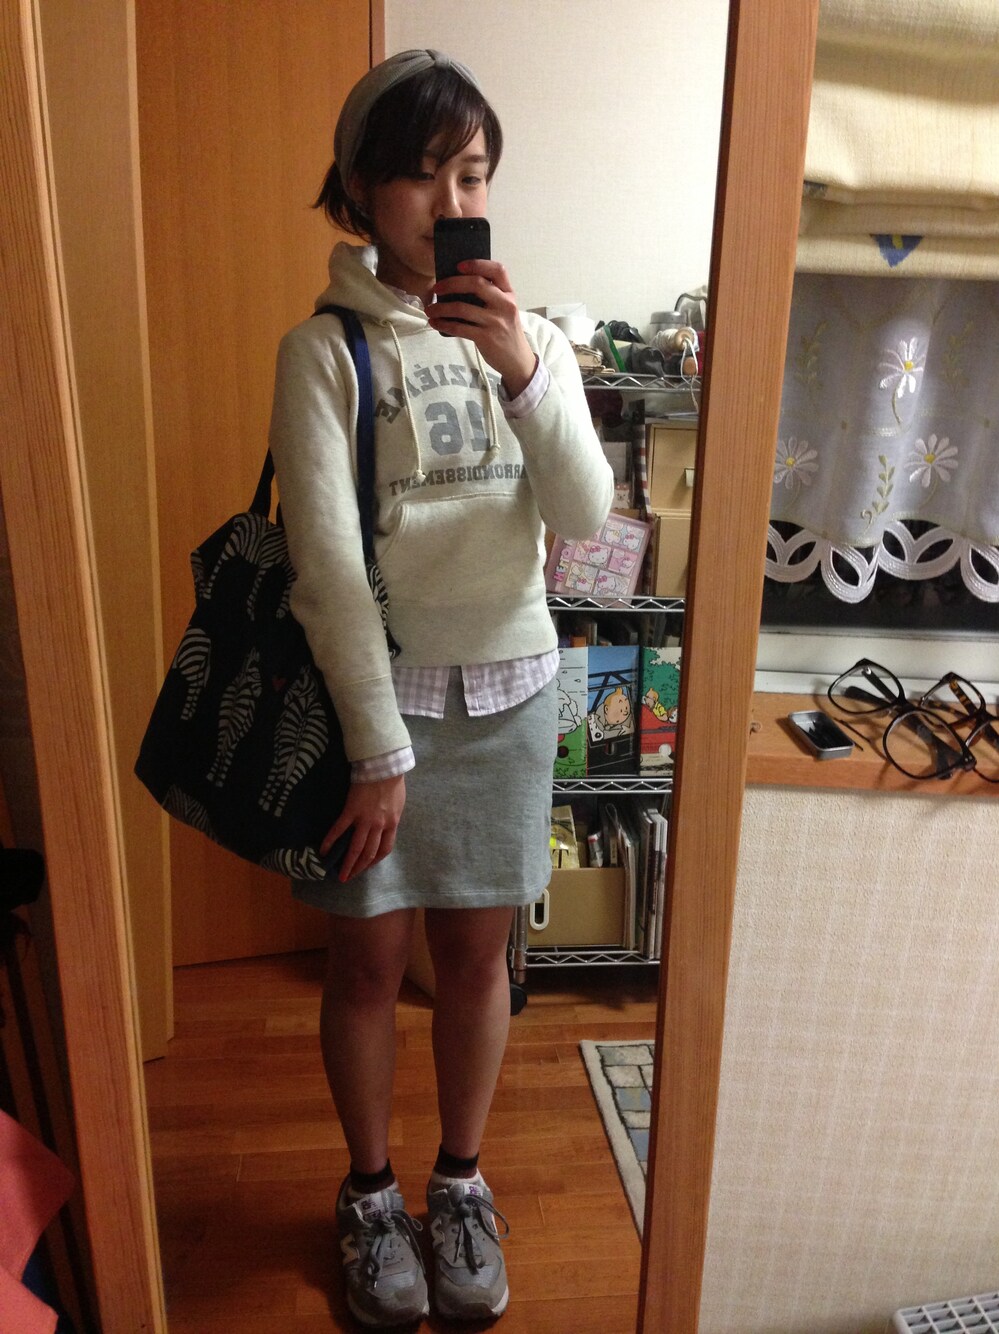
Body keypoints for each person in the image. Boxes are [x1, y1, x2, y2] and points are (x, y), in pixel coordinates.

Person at [268, 48, 613, 1327]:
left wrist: (525, 373)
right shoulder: (323, 351)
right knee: (365, 966)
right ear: (360, 191)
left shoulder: (536, 342)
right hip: (384, 711)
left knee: (477, 964)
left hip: (513, 693)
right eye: (420, 175)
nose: (449, 201)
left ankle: (458, 1180)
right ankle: (369, 1194)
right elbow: (325, 570)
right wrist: (374, 751)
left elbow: (583, 513)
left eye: (470, 174)